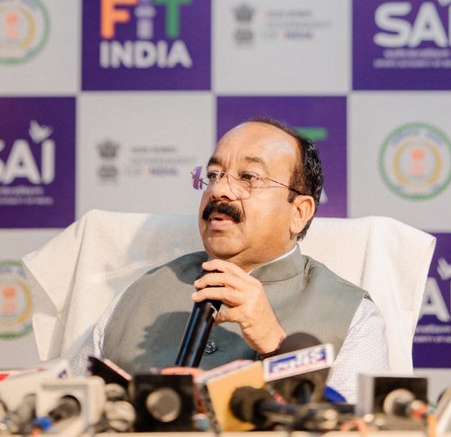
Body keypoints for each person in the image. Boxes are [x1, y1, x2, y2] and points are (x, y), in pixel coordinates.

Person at [72, 116, 389, 402]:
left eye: (249, 177)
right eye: (213, 175)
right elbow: (68, 405)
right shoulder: (141, 292)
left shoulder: (352, 314)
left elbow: (359, 428)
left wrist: (274, 345)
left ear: (299, 212)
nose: (219, 190)